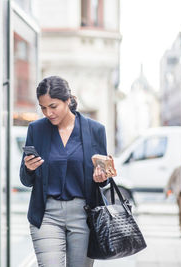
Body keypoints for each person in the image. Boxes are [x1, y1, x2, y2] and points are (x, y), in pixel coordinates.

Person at [20, 76, 112, 267]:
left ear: (68, 100)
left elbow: (104, 179)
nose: (48, 113)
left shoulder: (95, 130)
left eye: (53, 106)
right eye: (43, 108)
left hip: (84, 215)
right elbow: (26, 180)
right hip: (47, 215)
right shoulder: (36, 130)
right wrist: (28, 169)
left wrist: (102, 178)